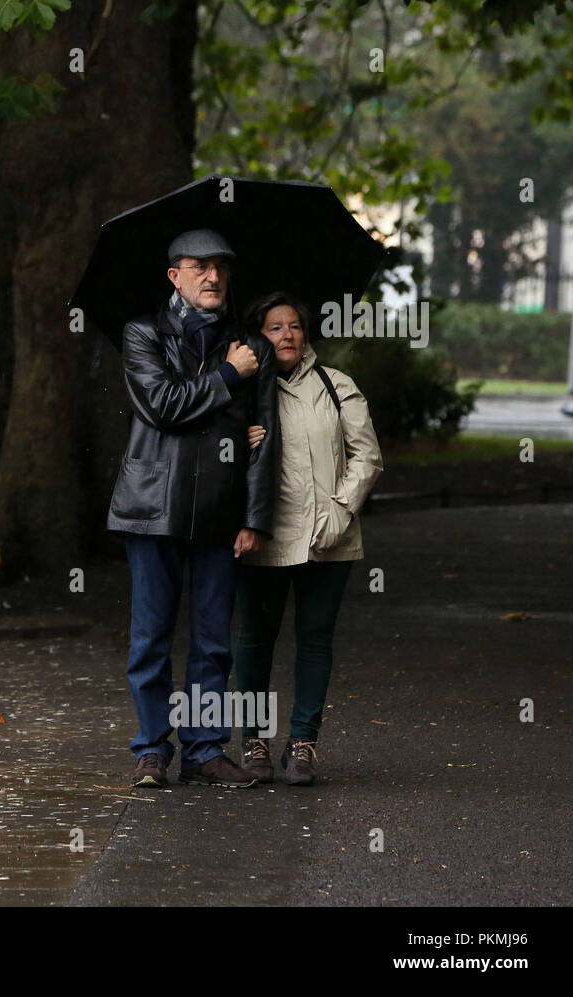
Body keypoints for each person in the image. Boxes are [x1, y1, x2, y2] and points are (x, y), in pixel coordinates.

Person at [108, 228, 280, 789]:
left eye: (221, 268)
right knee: (150, 638)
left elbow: (264, 440)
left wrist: (255, 519)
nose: (213, 277)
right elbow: (163, 406)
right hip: (152, 507)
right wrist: (228, 377)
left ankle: (204, 751)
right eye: (199, 266)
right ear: (173, 276)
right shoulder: (142, 334)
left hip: (221, 512)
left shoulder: (252, 345)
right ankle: (152, 751)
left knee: (212, 642)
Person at [235, 291, 383, 786]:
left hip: (330, 538)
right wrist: (238, 440)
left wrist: (342, 510)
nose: (287, 335)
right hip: (266, 536)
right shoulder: (242, 392)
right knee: (256, 639)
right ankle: (253, 739)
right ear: (259, 335)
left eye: (294, 325)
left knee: (315, 639)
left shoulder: (336, 385)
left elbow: (367, 456)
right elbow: (211, 460)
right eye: (275, 327)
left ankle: (303, 743)